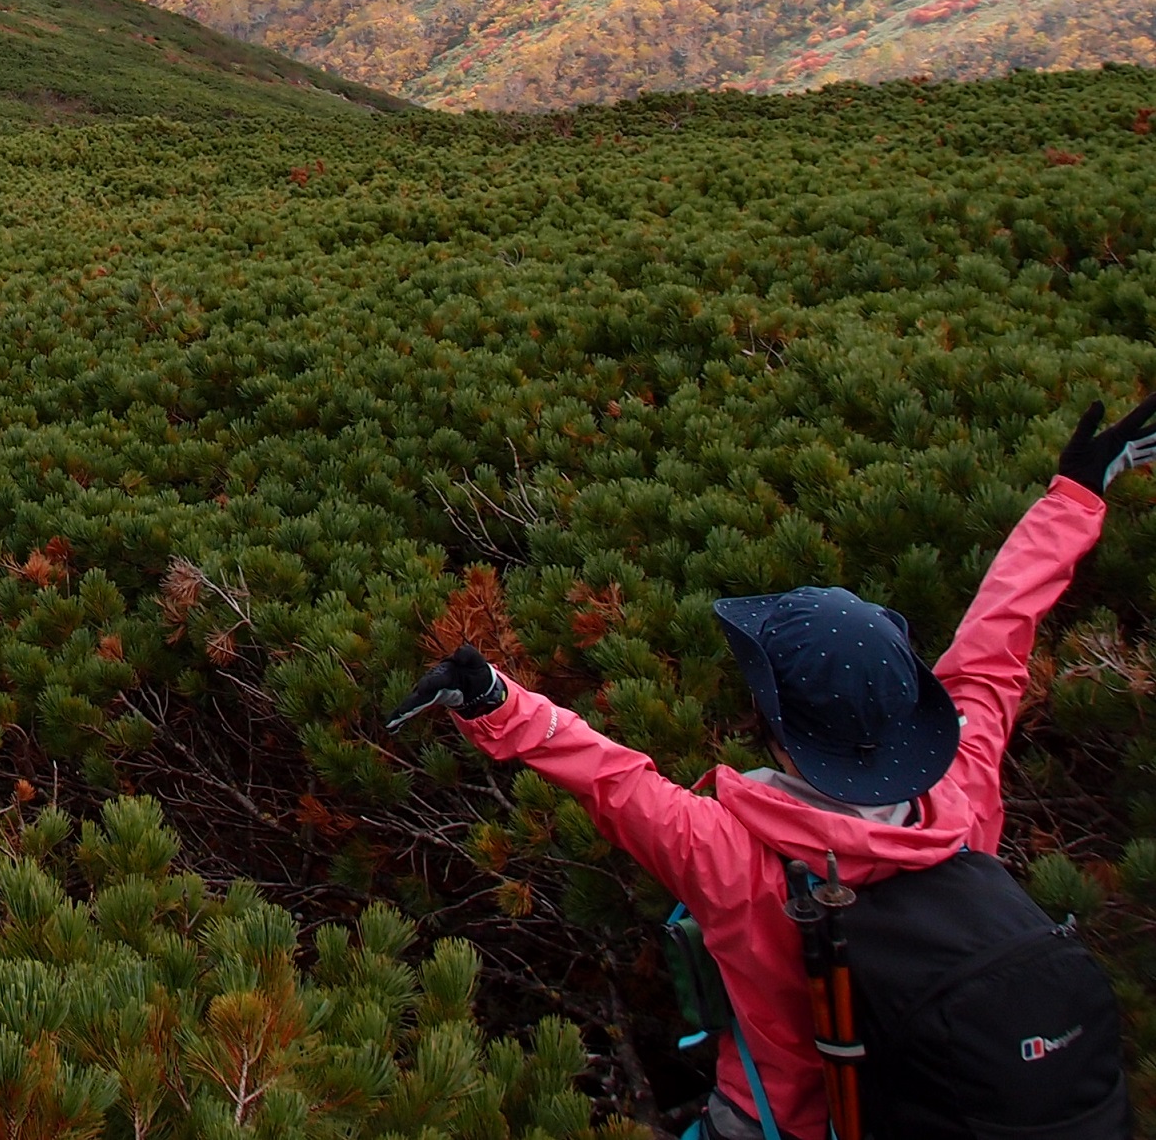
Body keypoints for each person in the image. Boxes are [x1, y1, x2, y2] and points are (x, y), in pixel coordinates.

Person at [395, 395, 1154, 1140]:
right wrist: (1076, 495)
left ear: (773, 724)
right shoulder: (959, 783)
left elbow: (608, 776)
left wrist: (492, 697)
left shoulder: (732, 854)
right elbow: (997, 641)